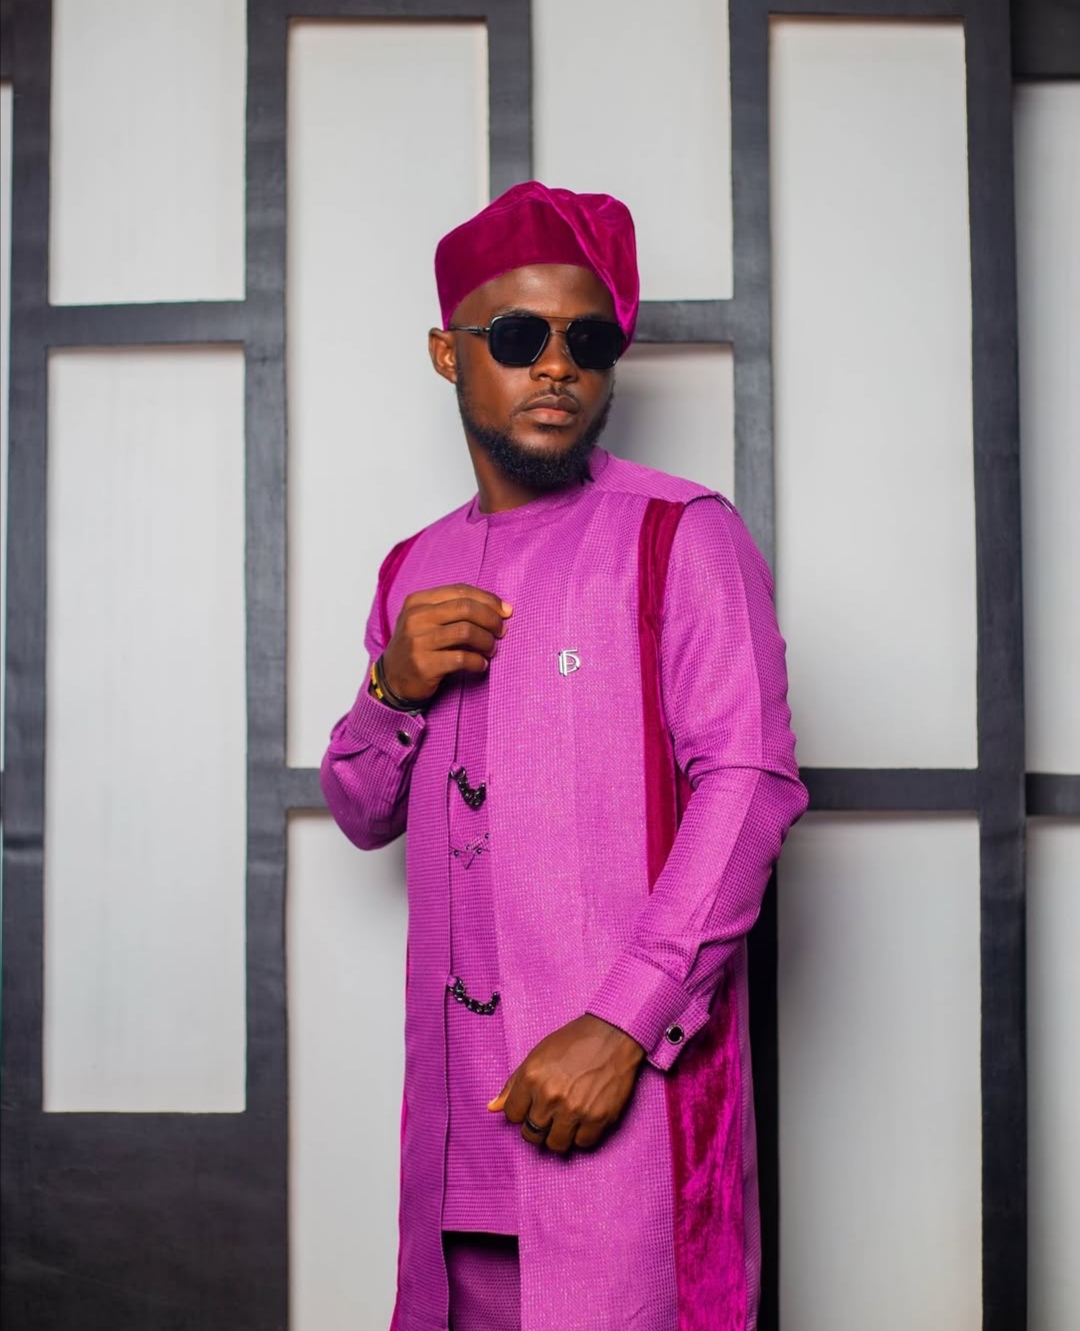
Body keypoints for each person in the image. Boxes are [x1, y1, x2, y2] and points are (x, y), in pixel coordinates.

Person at [321, 181, 807, 1331]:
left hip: (611, 1105)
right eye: (518, 335)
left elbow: (750, 783)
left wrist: (623, 1023)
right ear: (448, 351)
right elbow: (360, 807)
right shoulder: (411, 566)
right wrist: (391, 685)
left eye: (588, 342)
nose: (556, 366)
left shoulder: (678, 533)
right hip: (458, 1136)